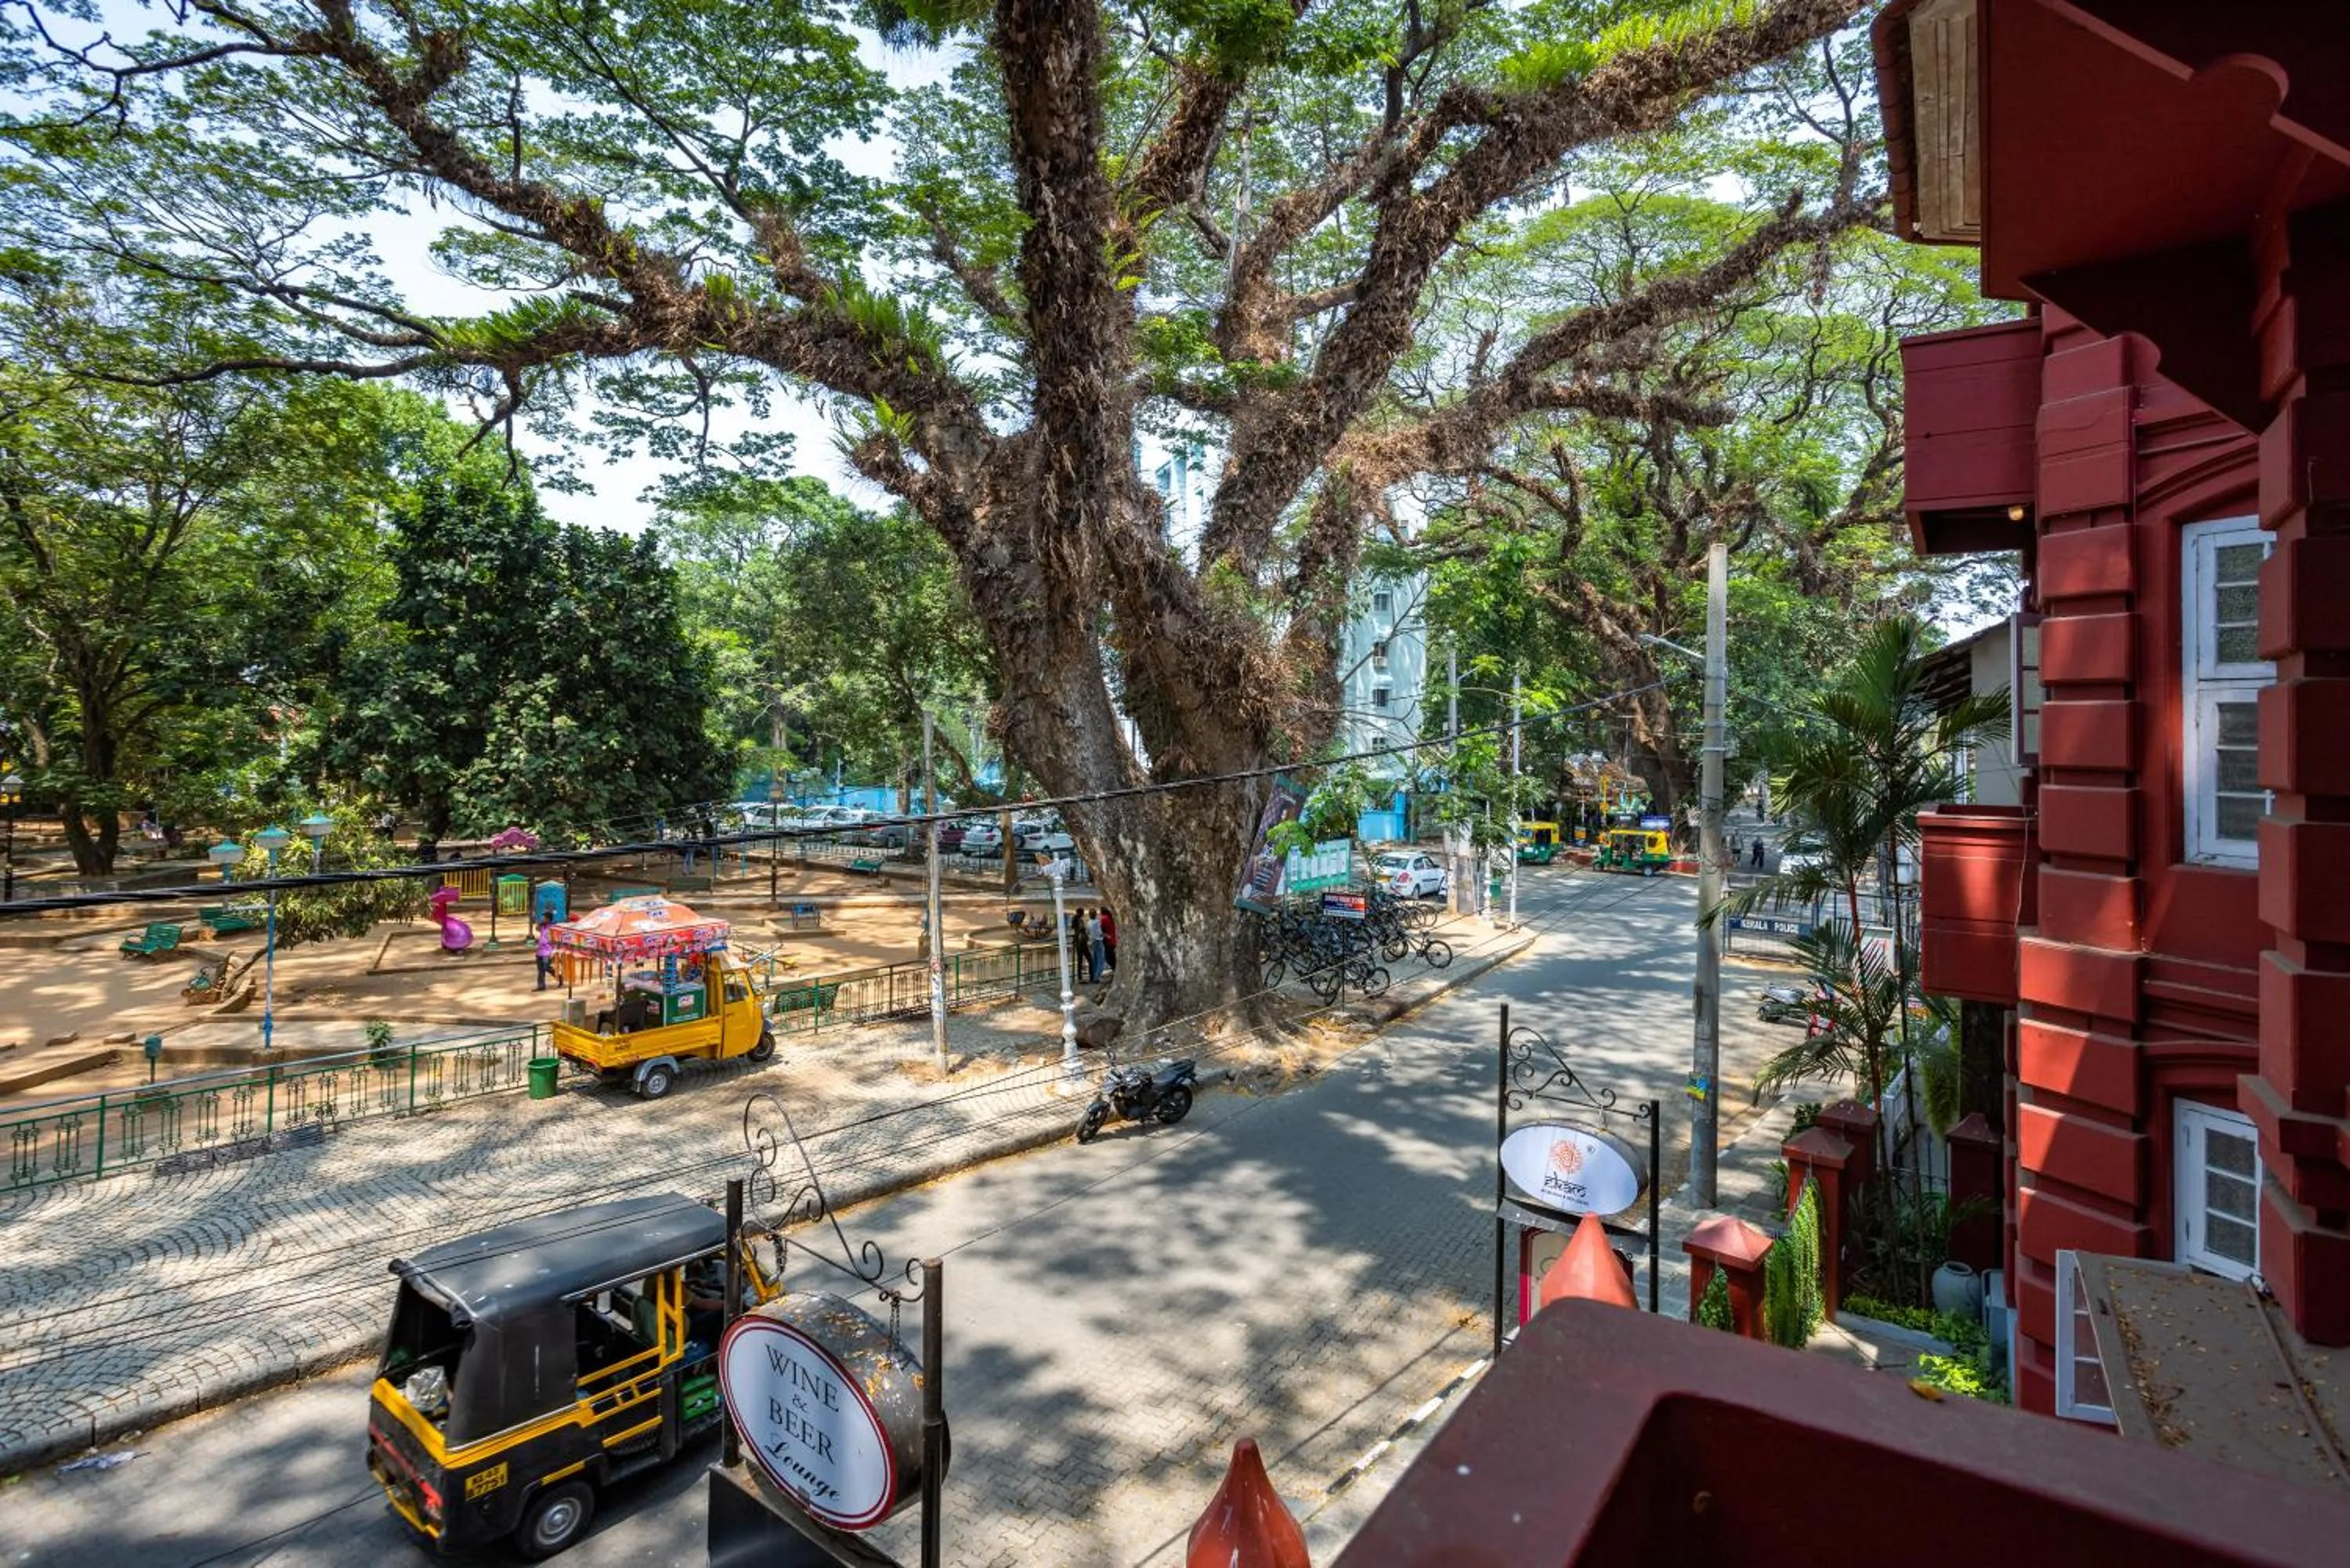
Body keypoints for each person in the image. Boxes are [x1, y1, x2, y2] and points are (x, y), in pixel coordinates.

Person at [534, 915, 556, 992]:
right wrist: (541, 923)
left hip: (548, 951)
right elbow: (537, 929)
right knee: (540, 970)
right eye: (542, 917)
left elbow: (555, 940)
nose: (542, 919)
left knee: (546, 966)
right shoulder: (542, 926)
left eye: (544, 918)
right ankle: (541, 986)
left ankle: (558, 976)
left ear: (548, 919)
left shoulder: (553, 928)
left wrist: (554, 951)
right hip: (540, 951)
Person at [1086, 909, 1108, 985]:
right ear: (1095, 915)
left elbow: (1087, 932)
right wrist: (1105, 935)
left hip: (1092, 942)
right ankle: (1097, 977)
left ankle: (1093, 975)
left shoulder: (1088, 923)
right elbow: (1099, 933)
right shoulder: (1097, 922)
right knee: (1100, 959)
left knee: (1094, 959)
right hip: (1098, 941)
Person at [1099, 908, 1116, 977]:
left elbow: (1101, 929)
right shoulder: (1111, 918)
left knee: (1108, 957)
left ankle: (1114, 968)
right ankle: (1114, 968)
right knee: (1111, 956)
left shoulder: (1104, 919)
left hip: (1108, 940)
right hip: (1113, 939)